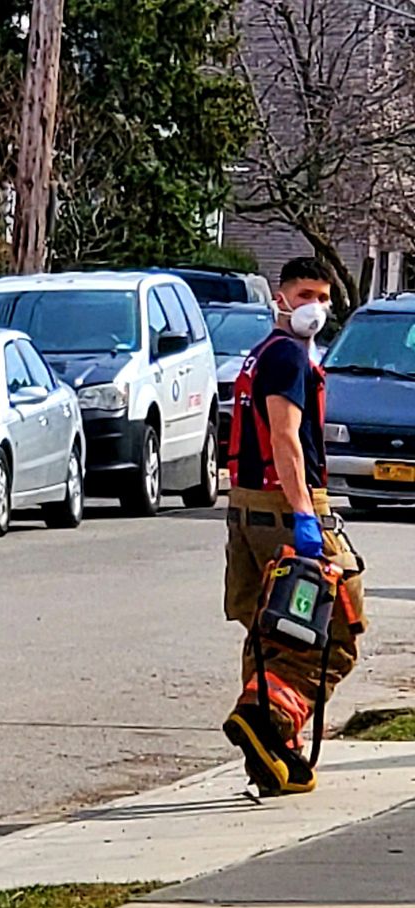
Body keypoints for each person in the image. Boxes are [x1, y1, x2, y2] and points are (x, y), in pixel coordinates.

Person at [222, 256, 366, 797]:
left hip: (246, 509)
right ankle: (267, 723)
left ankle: (271, 757)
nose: (317, 307)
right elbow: (284, 438)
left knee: (271, 634)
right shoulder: (285, 358)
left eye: (326, 298)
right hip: (286, 508)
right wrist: (305, 514)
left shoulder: (260, 356)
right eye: (306, 294)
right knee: (336, 631)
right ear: (280, 298)